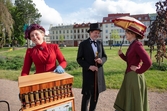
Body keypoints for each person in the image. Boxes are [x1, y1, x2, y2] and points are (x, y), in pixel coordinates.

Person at [114, 24, 152, 111]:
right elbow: (130, 61)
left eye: (127, 32)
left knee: (134, 99)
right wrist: (122, 55)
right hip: (130, 75)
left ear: (133, 34)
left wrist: (139, 70)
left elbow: (148, 62)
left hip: (134, 77)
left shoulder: (137, 45)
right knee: (128, 97)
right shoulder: (132, 45)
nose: (125, 34)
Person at [76, 23, 107, 111]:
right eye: (95, 32)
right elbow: (79, 59)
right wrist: (89, 66)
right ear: (90, 32)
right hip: (88, 74)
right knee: (87, 95)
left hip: (98, 73)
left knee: (95, 95)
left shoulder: (100, 43)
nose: (97, 35)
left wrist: (101, 61)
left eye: (98, 33)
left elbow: (105, 56)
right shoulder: (83, 44)